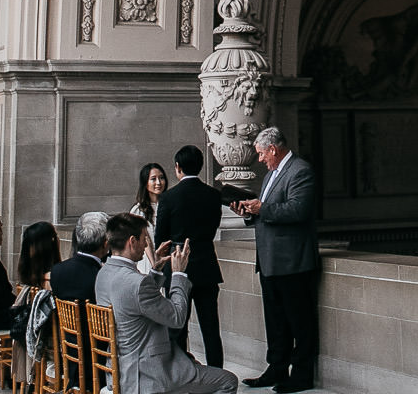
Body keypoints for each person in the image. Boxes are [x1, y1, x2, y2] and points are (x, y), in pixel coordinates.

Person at [95, 212, 237, 394]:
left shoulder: (103, 274)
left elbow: (134, 302)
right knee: (228, 380)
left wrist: (155, 271)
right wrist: (178, 274)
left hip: (120, 368)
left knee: (196, 366)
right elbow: (177, 318)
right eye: (144, 239)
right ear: (132, 241)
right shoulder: (136, 283)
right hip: (148, 373)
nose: (146, 244)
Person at [234, 127, 318, 393]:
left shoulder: (300, 170)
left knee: (299, 322)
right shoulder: (272, 174)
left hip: (293, 262)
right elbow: (267, 212)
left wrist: (262, 208)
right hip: (270, 261)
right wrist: (248, 212)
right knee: (276, 323)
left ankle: (301, 376)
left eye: (261, 154)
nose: (260, 160)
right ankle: (276, 369)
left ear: (273, 148)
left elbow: (298, 210)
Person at [154, 144, 225, 366]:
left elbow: (160, 238)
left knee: (177, 326)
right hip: (206, 264)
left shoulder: (168, 198)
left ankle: (180, 373)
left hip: (178, 267)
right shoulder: (214, 195)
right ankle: (218, 374)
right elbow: (213, 228)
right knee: (211, 327)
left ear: (178, 167)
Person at [49, 211, 111, 391]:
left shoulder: (58, 271)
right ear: (105, 243)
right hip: (98, 358)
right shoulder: (100, 277)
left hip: (71, 353)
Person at [13, 222, 60, 388]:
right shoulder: (53, 279)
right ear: (52, 242)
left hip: (37, 342)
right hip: (52, 346)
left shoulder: (28, 276)